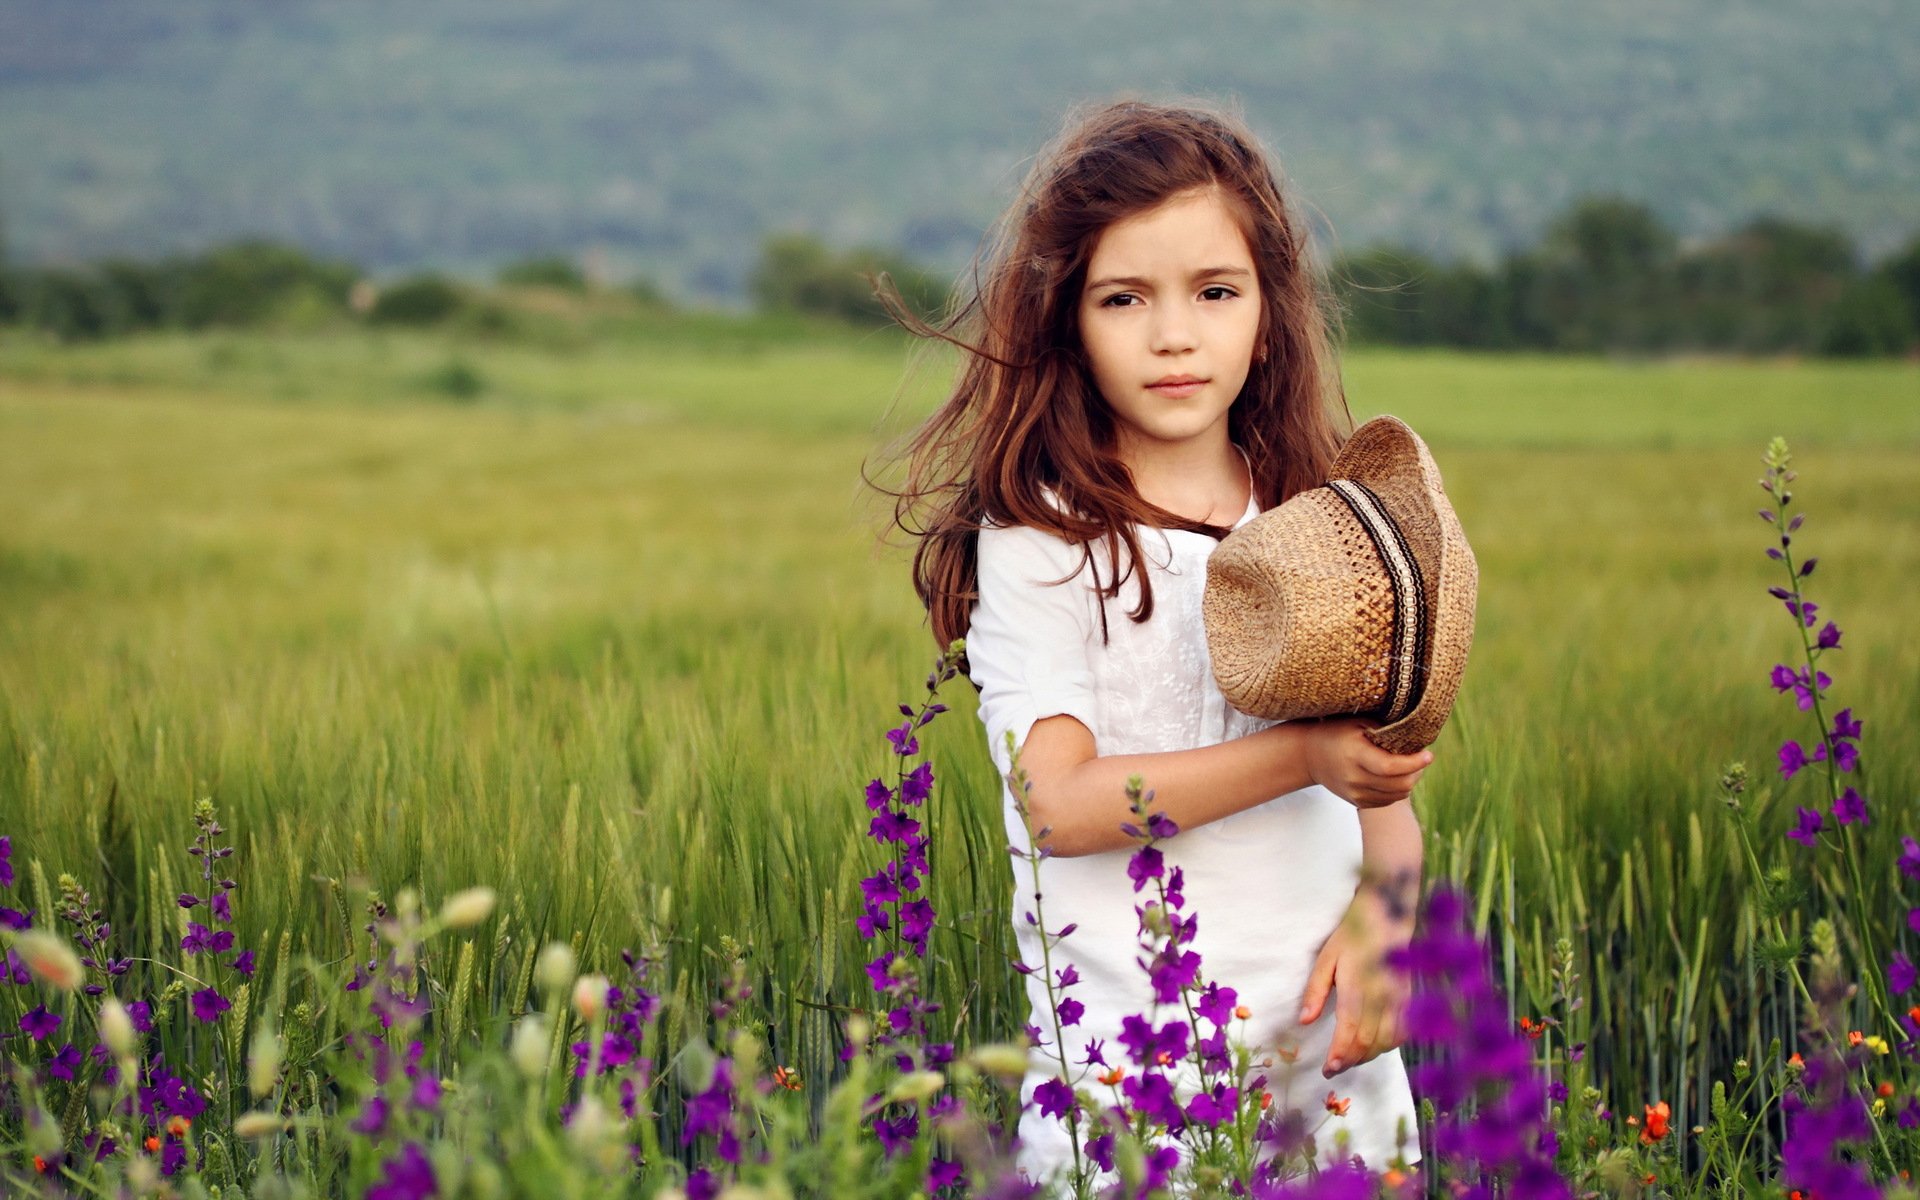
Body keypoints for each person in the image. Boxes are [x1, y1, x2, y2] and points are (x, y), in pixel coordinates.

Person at [885, 99, 1427, 1186]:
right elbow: (1061, 805)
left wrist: (1391, 927)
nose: (1174, 335)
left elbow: (1387, 792)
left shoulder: (1318, 522)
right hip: (1132, 1096)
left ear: (1268, 312)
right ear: (1067, 322)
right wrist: (1300, 756)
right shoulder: (1043, 541)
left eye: (1215, 293)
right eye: (1124, 298)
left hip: (1328, 1077)